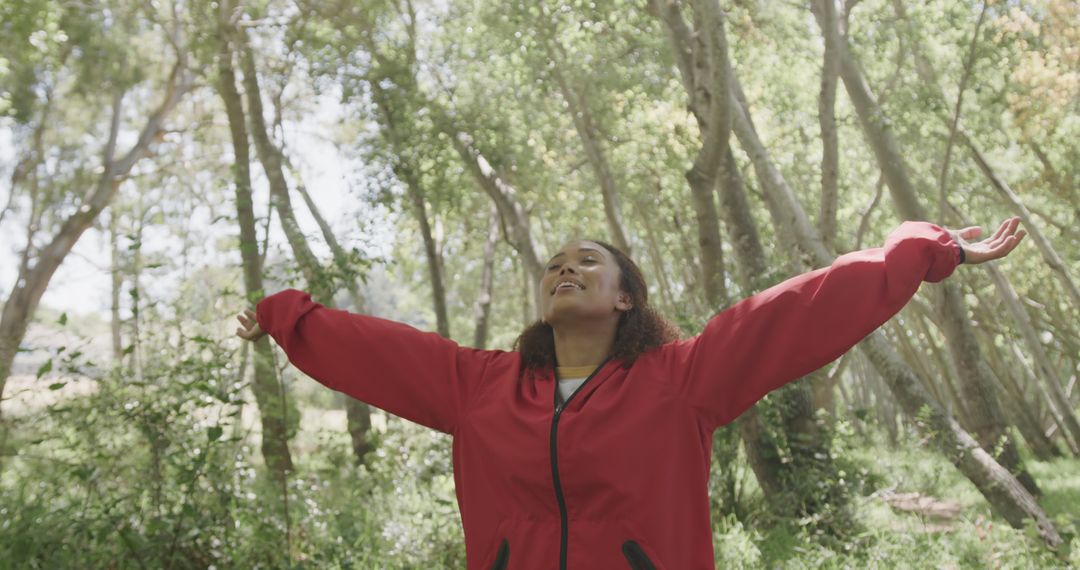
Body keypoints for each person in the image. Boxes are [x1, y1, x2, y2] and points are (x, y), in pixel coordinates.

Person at [235, 217, 1025, 570]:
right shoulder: (479, 387)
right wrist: (283, 317)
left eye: (587, 262)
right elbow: (372, 351)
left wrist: (930, 248)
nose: (564, 269)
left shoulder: (683, 379)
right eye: (554, 265)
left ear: (625, 298)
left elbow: (806, 308)